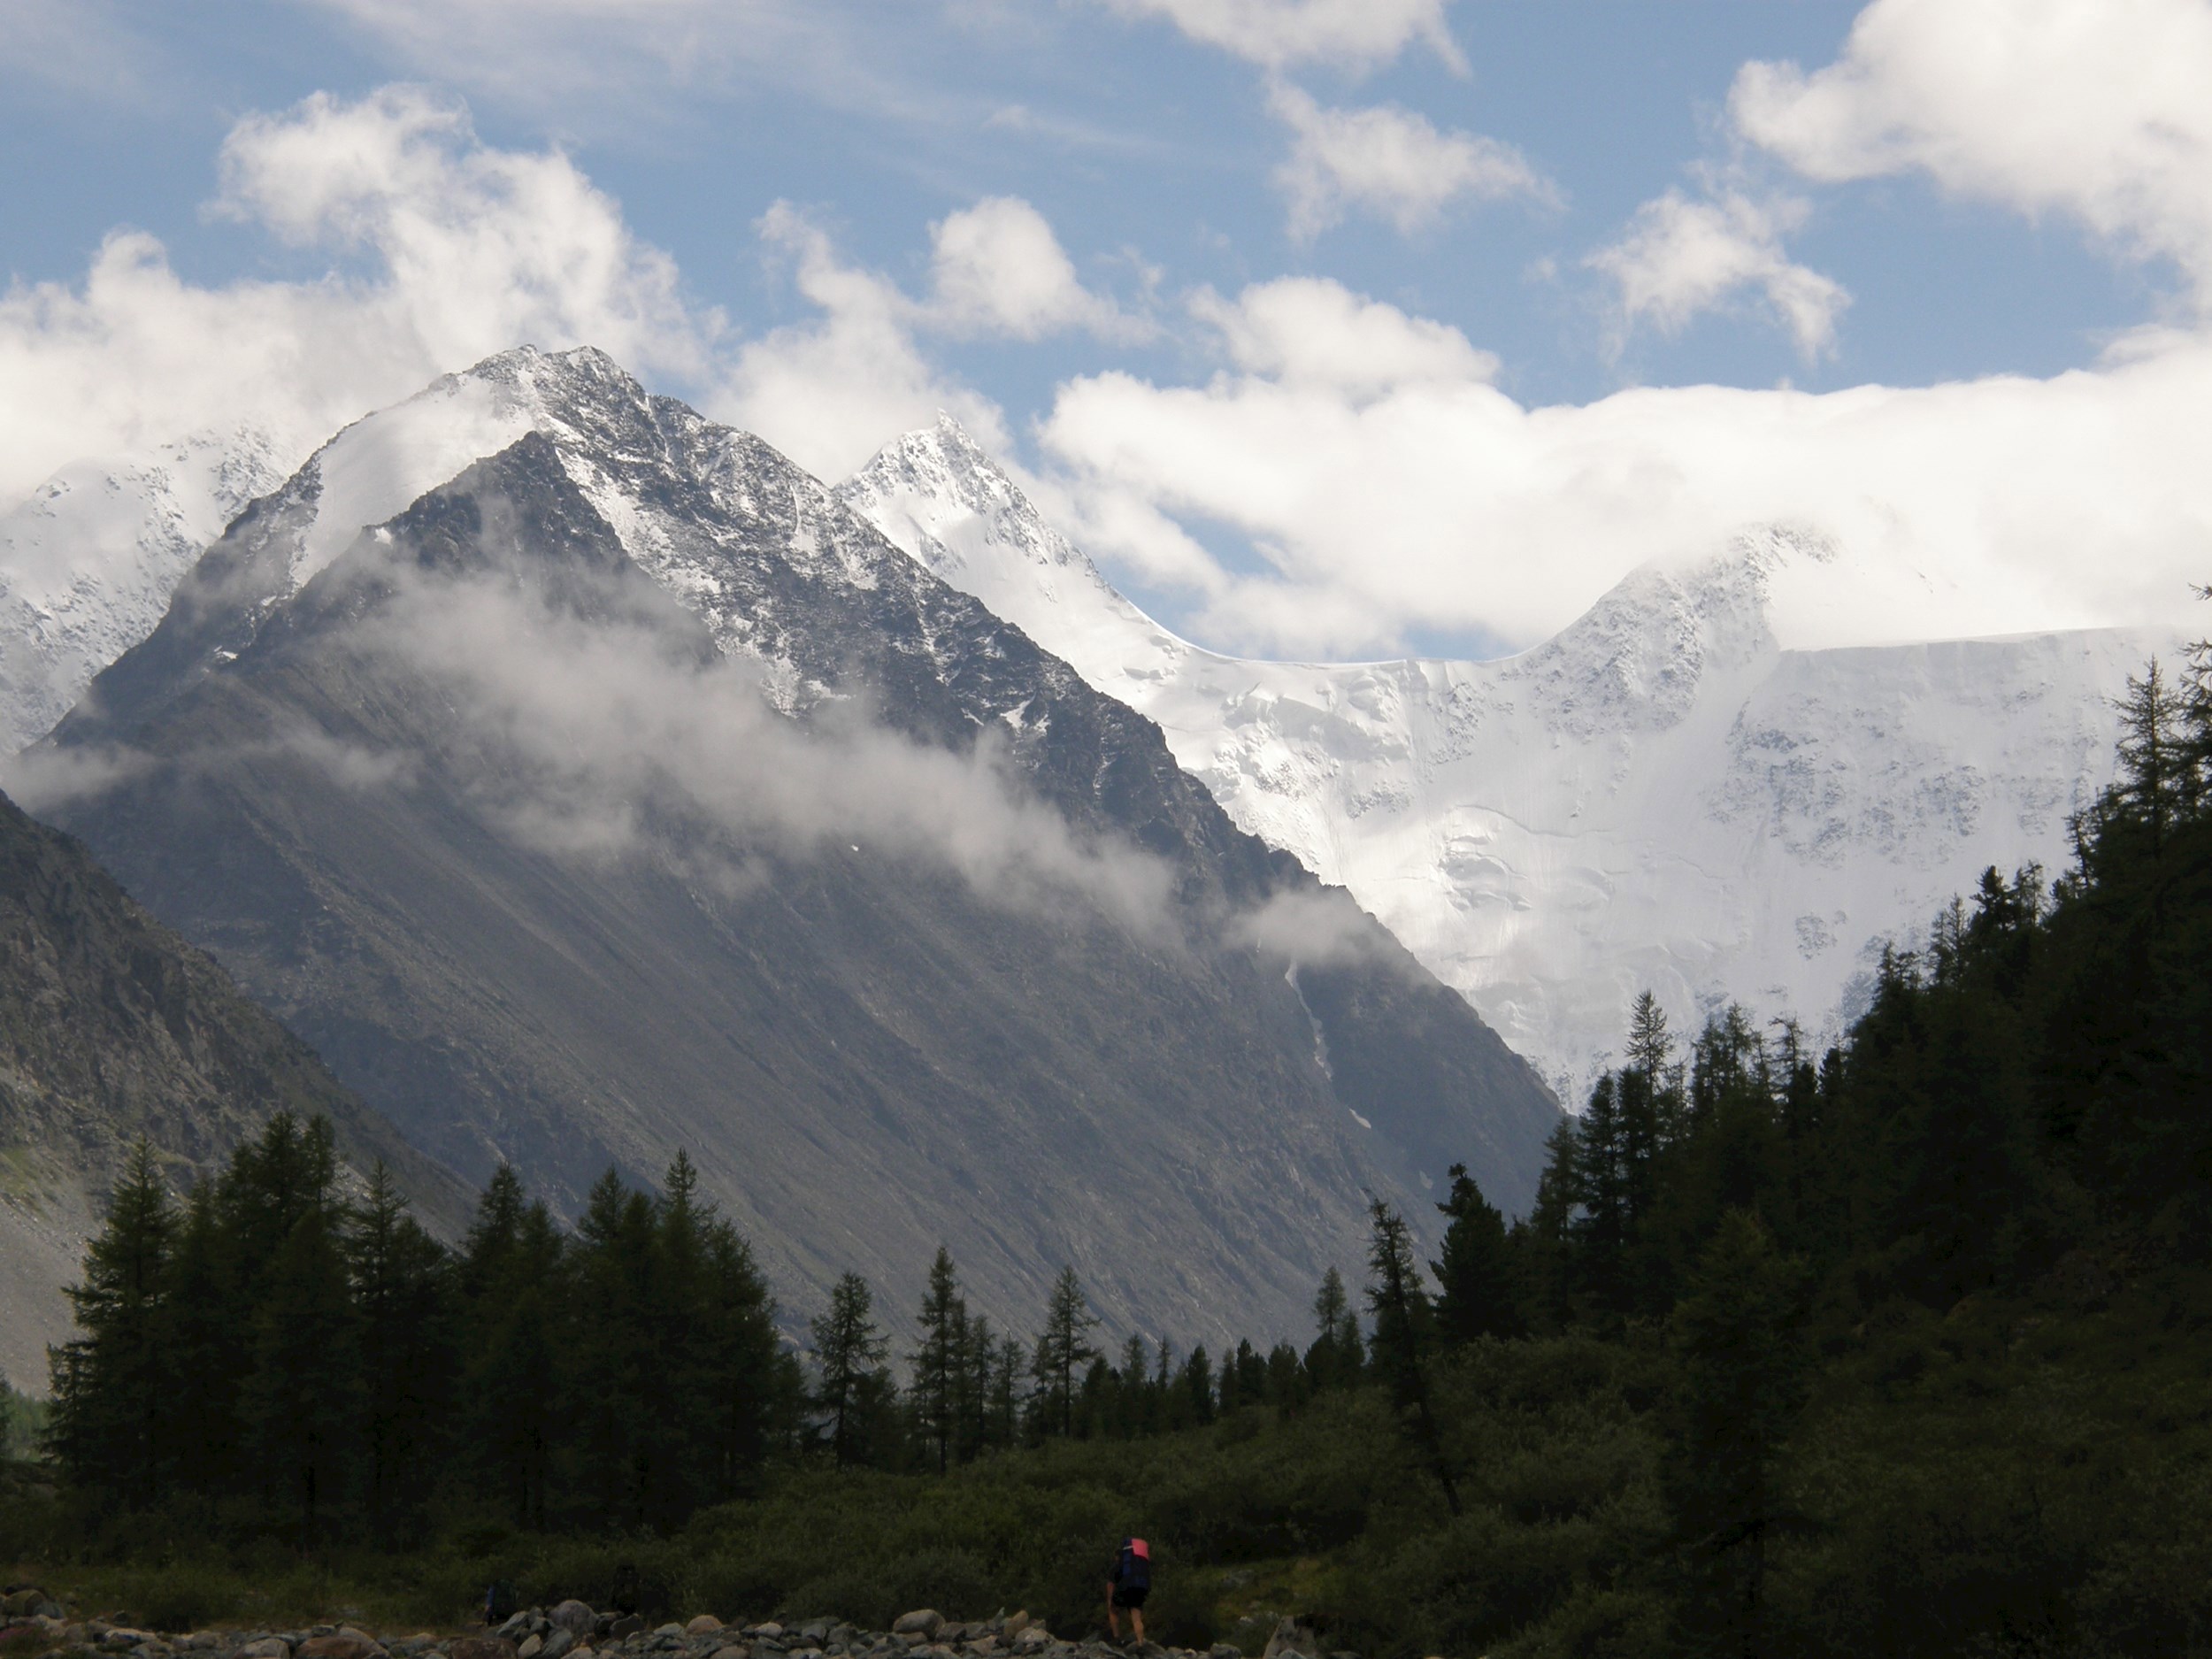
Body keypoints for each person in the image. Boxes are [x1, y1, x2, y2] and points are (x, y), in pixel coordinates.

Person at [1106, 1536, 1151, 1646]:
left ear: (1118, 1556)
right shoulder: (1138, 1566)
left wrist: (1109, 1601)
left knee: (1113, 1611)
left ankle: (1117, 1639)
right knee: (1136, 1618)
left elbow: (1110, 1586)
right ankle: (1140, 1643)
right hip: (1140, 1589)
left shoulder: (1117, 1566)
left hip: (1125, 1589)